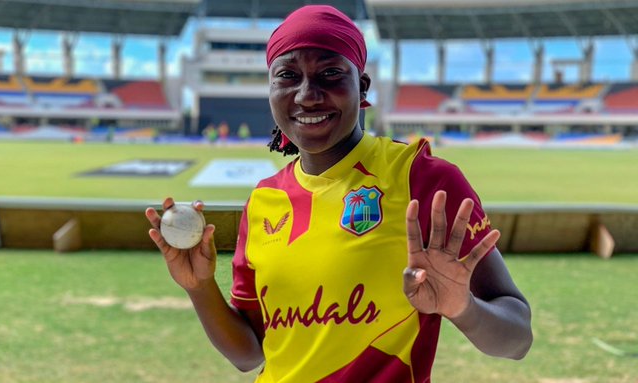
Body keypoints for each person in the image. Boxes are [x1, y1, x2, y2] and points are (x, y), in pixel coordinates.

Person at [145, 5, 532, 383]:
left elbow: (517, 341)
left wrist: (463, 308)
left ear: (361, 86)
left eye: (330, 73)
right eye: (287, 76)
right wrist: (198, 287)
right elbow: (250, 354)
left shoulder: (422, 179)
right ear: (270, 89)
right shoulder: (263, 201)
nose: (307, 95)